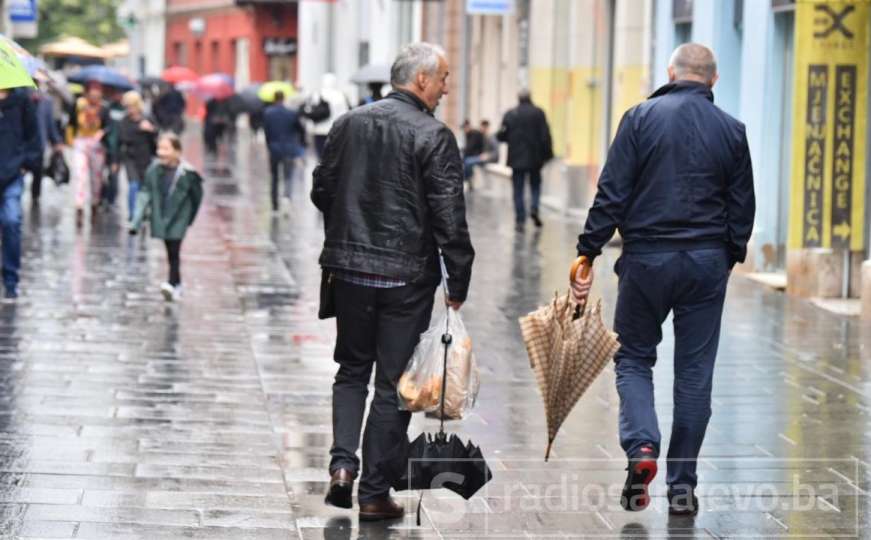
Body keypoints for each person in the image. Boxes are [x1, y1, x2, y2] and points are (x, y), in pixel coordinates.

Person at [571, 43, 755, 517]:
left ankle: (643, 451)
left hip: (647, 260)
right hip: (705, 263)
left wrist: (588, 250)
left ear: (671, 72)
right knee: (694, 376)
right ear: (713, 80)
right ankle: (682, 488)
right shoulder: (733, 131)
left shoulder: (639, 118)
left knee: (633, 358)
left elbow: (612, 192)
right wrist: (727, 255)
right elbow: (742, 207)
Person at [312, 42, 474, 521]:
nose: (447, 87)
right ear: (421, 80)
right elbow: (449, 216)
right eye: (443, 77)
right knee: (392, 385)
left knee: (351, 370)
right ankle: (373, 493)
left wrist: (351, 221)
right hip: (404, 277)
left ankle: (343, 467)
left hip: (349, 273)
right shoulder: (433, 135)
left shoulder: (348, 124)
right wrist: (458, 279)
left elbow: (322, 189)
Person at [130, 133, 203, 302]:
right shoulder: (154, 170)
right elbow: (145, 193)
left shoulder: (188, 174)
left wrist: (189, 218)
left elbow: (197, 197)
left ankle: (172, 283)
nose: (161, 152)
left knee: (174, 249)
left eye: (166, 149)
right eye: (159, 148)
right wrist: (136, 220)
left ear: (177, 151)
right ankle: (176, 283)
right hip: (162, 215)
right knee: (170, 250)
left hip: (179, 217)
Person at [0, 88, 37, 299]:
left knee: (12, 221)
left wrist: (26, 163)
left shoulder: (21, 100)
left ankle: (11, 279)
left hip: (12, 173)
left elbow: (33, 134)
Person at [497, 89, 553, 230]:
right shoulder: (539, 113)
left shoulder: (511, 114)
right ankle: (534, 208)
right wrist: (548, 155)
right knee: (535, 185)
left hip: (516, 159)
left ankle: (520, 220)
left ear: (518, 98)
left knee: (518, 189)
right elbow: (545, 135)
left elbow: (501, 136)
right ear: (530, 97)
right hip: (535, 158)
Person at [71, 83, 110, 226]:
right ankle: (79, 207)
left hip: (97, 145)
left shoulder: (104, 108)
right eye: (92, 94)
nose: (94, 97)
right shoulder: (79, 106)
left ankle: (94, 202)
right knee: (79, 175)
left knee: (96, 177)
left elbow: (109, 125)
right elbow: (71, 123)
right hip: (81, 142)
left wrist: (103, 132)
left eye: (97, 94)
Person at [262, 90, 305, 214]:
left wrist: (269, 145)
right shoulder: (291, 113)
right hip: (289, 148)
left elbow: (267, 132)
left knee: (274, 177)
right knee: (288, 175)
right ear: (283, 99)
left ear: (274, 99)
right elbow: (300, 129)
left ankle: (275, 206)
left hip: (274, 148)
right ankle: (287, 197)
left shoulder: (267, 113)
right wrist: (300, 143)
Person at [118, 91, 157, 222]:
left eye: (132, 106)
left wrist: (151, 130)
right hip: (130, 158)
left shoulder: (148, 118)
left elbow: (157, 136)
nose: (130, 109)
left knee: (144, 187)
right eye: (127, 106)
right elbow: (123, 137)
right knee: (133, 185)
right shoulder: (125, 121)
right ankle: (133, 214)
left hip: (146, 158)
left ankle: (143, 210)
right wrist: (139, 129)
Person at [27, 85, 63, 205]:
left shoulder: (46, 101)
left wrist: (56, 141)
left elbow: (50, 124)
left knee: (37, 173)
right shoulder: (21, 98)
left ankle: (35, 197)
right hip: (22, 146)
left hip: (39, 145)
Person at [308, 73, 350, 159]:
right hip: (335, 131)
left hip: (319, 131)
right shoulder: (340, 95)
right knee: (333, 157)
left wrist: (311, 129)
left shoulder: (317, 94)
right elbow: (345, 114)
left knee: (321, 157)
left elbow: (312, 112)